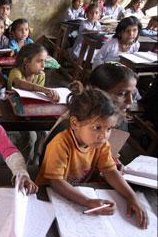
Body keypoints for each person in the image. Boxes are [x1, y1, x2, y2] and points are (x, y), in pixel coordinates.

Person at [36, 82, 148, 229]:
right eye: (97, 128)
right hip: (49, 194)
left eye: (109, 129)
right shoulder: (61, 144)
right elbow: (55, 181)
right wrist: (88, 201)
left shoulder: (101, 144)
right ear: (75, 123)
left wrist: (131, 197)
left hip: (80, 191)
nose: (103, 135)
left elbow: (110, 170)